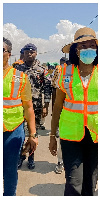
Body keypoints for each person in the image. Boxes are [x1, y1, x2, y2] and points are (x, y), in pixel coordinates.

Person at [49, 27, 98, 196]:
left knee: (90, 183)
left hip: (94, 135)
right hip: (71, 135)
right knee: (74, 182)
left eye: (92, 45)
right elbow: (57, 106)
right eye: (83, 46)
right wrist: (51, 137)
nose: (88, 49)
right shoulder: (64, 72)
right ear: (76, 51)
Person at [3, 37, 38, 196]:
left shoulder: (20, 77)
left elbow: (28, 107)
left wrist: (33, 134)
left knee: (10, 170)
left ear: (9, 54)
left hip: (13, 131)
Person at [14, 43, 51, 169]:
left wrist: (46, 105)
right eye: (27, 51)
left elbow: (47, 88)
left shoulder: (42, 69)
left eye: (32, 51)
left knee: (33, 134)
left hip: (36, 107)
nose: (29, 53)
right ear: (23, 53)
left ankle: (31, 157)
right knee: (20, 133)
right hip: (19, 106)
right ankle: (20, 156)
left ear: (36, 53)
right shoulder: (17, 69)